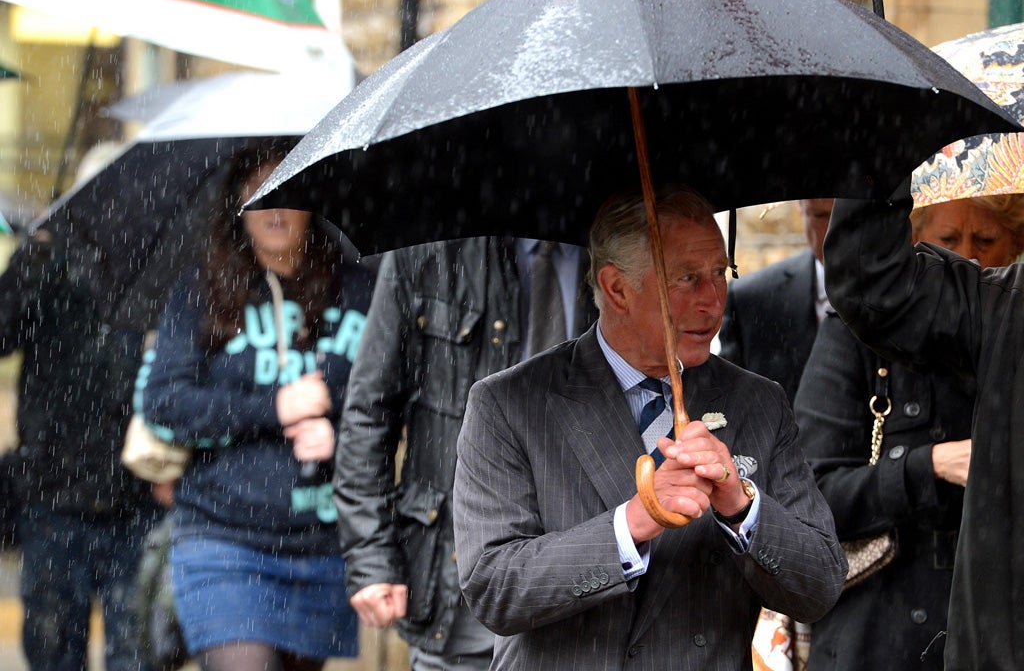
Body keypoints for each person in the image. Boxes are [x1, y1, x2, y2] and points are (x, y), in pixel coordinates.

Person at [453, 185, 846, 670]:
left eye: (719, 274)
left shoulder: (759, 403)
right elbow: (494, 588)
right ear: (617, 288)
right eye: (687, 278)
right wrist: (633, 523)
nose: (712, 300)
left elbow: (821, 585)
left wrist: (741, 507)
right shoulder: (510, 404)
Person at [139, 138, 375, 671]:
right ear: (240, 206)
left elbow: (395, 394)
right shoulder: (201, 291)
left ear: (312, 202)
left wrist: (341, 430)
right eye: (259, 191)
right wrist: (276, 407)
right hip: (222, 537)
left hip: (320, 544)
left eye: (288, 190)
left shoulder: (360, 290)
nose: (275, 207)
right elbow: (166, 403)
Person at [334, 236, 597, 670]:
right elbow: (370, 410)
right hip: (460, 571)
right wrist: (370, 556)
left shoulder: (623, 249)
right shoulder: (428, 252)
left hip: (587, 576)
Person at [795, 193, 1024, 669]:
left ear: (1016, 247)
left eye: (986, 239)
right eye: (948, 239)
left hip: (990, 630)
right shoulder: (856, 335)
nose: (967, 255)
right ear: (914, 243)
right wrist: (929, 467)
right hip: (879, 638)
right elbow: (808, 496)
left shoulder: (1006, 328)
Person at [0, 227, 160, 671]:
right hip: (51, 497)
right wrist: (32, 256)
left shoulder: (160, 266)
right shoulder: (47, 263)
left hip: (137, 500)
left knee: (135, 654)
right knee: (52, 649)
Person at [718, 198, 834, 404]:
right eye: (821, 215)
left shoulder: (905, 291)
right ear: (800, 208)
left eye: (844, 214)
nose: (835, 230)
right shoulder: (751, 301)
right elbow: (726, 403)